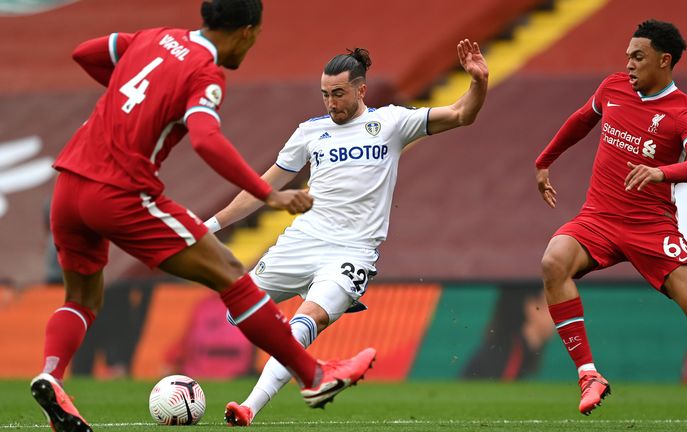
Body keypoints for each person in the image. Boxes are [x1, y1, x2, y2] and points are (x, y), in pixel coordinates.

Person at [30, 1, 375, 431]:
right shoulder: (204, 72)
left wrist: (130, 101)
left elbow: (85, 52)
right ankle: (315, 376)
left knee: (80, 300)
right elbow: (207, 141)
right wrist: (268, 195)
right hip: (119, 192)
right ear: (246, 32)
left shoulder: (155, 37)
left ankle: (51, 375)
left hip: (68, 185)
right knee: (231, 272)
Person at [205, 40, 488, 426]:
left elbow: (460, 114)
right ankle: (313, 369)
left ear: (360, 90)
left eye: (338, 94)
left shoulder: (390, 123)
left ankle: (249, 407)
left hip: (352, 251)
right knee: (237, 313)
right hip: (302, 240)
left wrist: (479, 83)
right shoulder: (309, 132)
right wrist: (211, 225)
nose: (331, 103)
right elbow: (262, 189)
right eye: (325, 95)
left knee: (309, 319)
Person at [534, 19, 687, 430]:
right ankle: (588, 373)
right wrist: (545, 160)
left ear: (664, 60)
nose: (629, 65)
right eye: (627, 57)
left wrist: (662, 173)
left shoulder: (683, 111)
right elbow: (582, 120)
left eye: (638, 57)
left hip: (652, 229)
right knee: (553, 262)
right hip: (599, 218)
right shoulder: (613, 88)